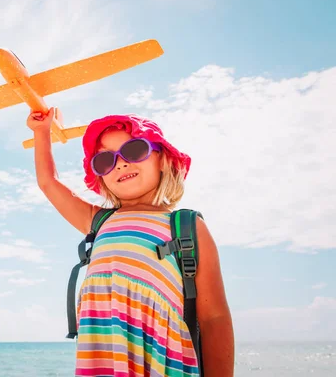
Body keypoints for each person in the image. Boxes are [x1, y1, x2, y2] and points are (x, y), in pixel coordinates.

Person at [27, 109, 234, 377]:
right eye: (105, 161)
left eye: (134, 150)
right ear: (100, 176)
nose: (121, 164)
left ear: (162, 159)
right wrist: (42, 132)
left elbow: (214, 318)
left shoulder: (186, 227)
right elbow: (48, 182)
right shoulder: (97, 221)